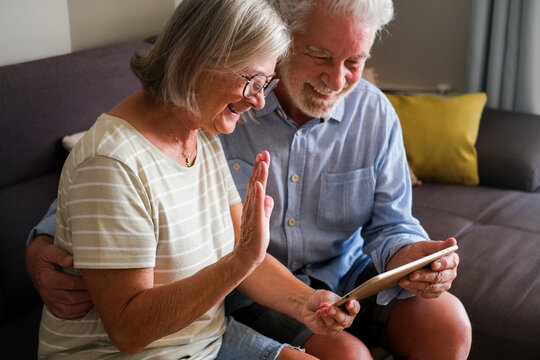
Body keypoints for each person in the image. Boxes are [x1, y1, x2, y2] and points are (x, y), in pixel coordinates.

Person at [27, 0, 472, 359]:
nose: (337, 79)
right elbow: (103, 191)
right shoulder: (197, 123)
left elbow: (243, 250)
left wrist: (312, 299)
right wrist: (43, 244)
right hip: (200, 322)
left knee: (446, 324)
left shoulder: (203, 131)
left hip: (255, 311)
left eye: (354, 61)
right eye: (319, 55)